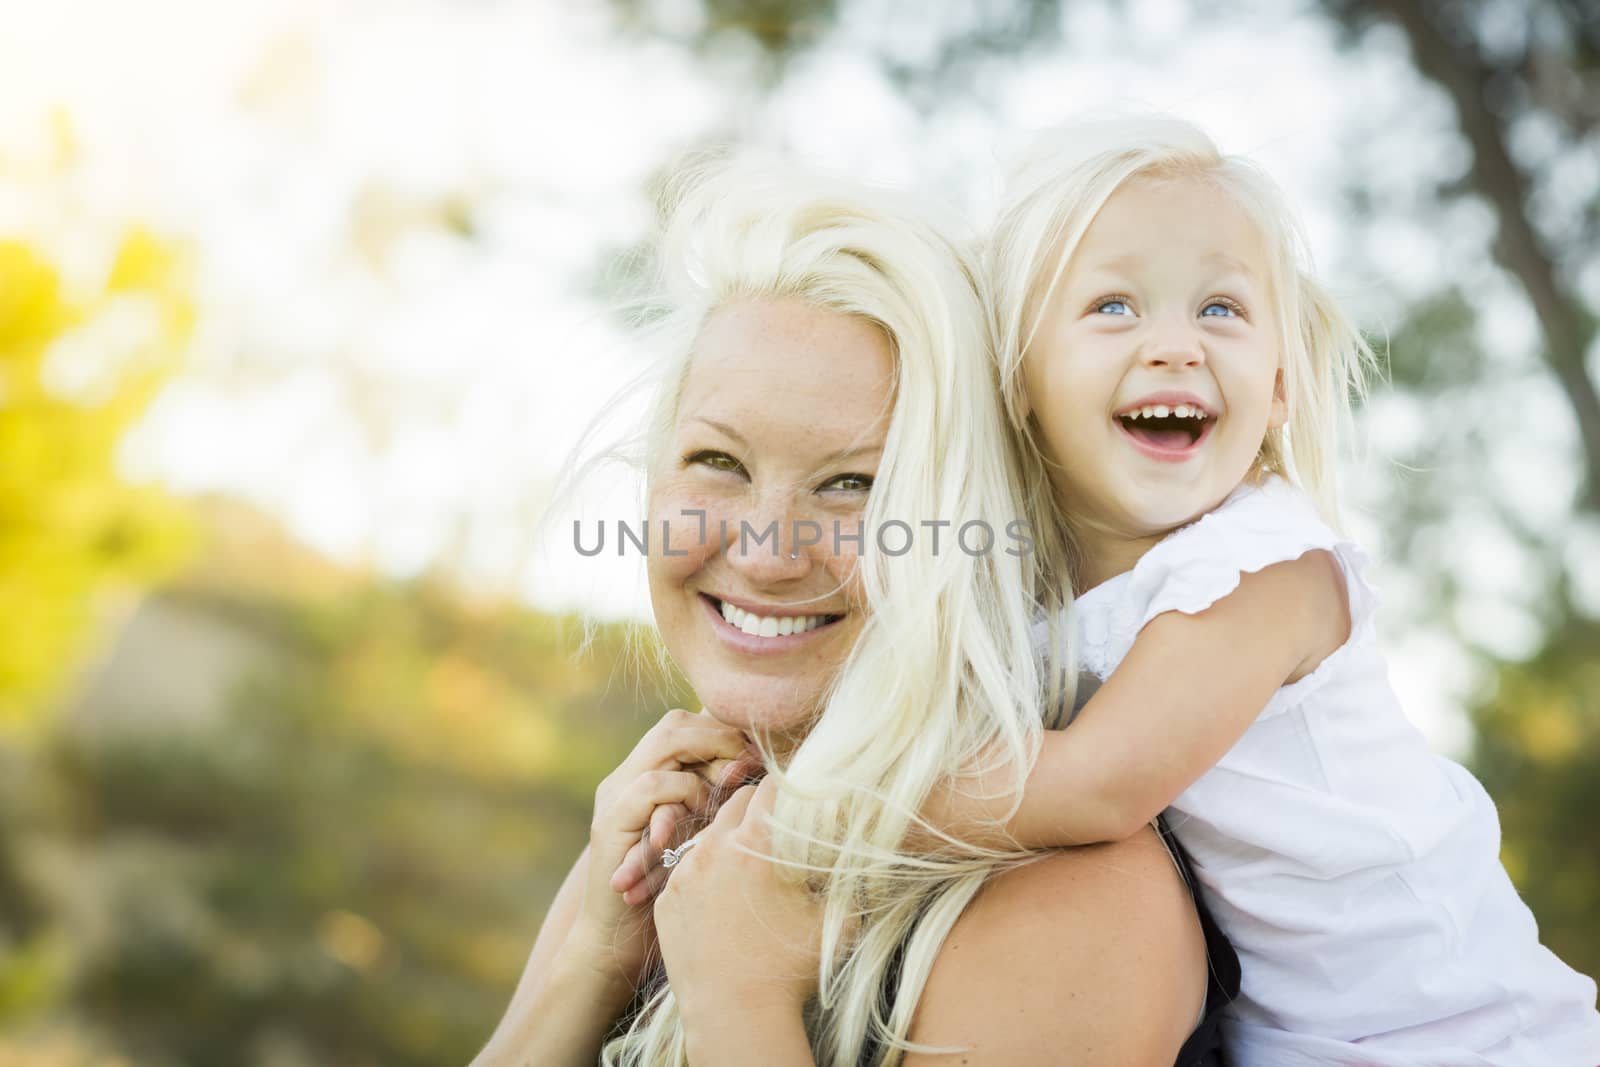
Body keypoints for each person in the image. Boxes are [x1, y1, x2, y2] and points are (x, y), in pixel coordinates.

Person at [470, 157, 1236, 1066]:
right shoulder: (688, 826)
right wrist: (596, 957)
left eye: (853, 486)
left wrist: (742, 1002)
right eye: (718, 461)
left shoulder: (1078, 901)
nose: (763, 552)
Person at [933, 115, 1600, 1065]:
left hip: (1460, 1034)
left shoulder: (1263, 566)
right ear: (1019, 377)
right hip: (1308, 1039)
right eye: (1114, 306)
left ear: (1279, 386)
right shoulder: (1029, 597)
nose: (1176, 345)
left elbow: (1095, 786)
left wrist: (834, 796)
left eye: (1220, 310)